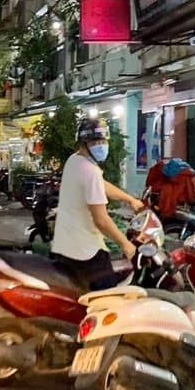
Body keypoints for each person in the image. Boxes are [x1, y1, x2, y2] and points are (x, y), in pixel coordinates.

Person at [51, 116, 145, 291]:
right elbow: (101, 220)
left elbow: (101, 185)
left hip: (65, 247)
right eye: (95, 142)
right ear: (84, 144)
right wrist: (125, 244)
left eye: (103, 141)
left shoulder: (75, 161)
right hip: (86, 252)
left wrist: (130, 200)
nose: (101, 146)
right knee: (108, 300)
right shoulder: (90, 171)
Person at [144, 149, 195, 219]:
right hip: (187, 204)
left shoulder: (162, 178)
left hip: (174, 207)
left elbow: (150, 184)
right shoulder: (188, 174)